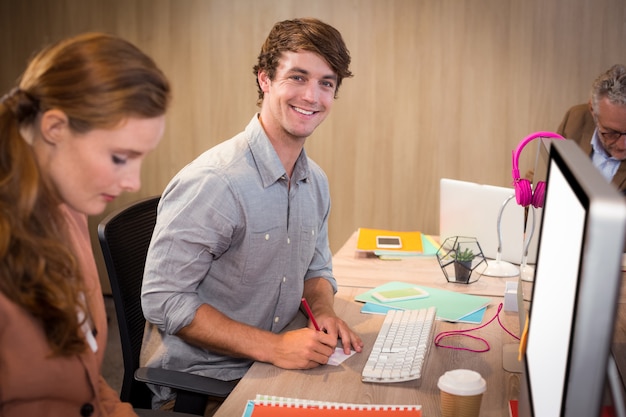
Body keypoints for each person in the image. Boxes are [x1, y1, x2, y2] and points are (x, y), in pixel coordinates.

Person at [140, 17, 364, 414]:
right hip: (210, 383)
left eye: (326, 83)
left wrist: (325, 311)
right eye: (297, 77)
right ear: (265, 79)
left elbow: (316, 269)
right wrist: (275, 347)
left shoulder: (316, 182)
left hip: (279, 362)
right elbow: (163, 299)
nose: (312, 96)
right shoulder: (216, 182)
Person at [0, 33, 170, 416]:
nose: (134, 183)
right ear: (55, 128)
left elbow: (84, 375)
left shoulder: (67, 212)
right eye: (119, 157)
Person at [557, 64, 626, 192]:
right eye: (611, 133)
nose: (623, 145)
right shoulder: (575, 119)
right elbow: (547, 173)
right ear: (592, 110)